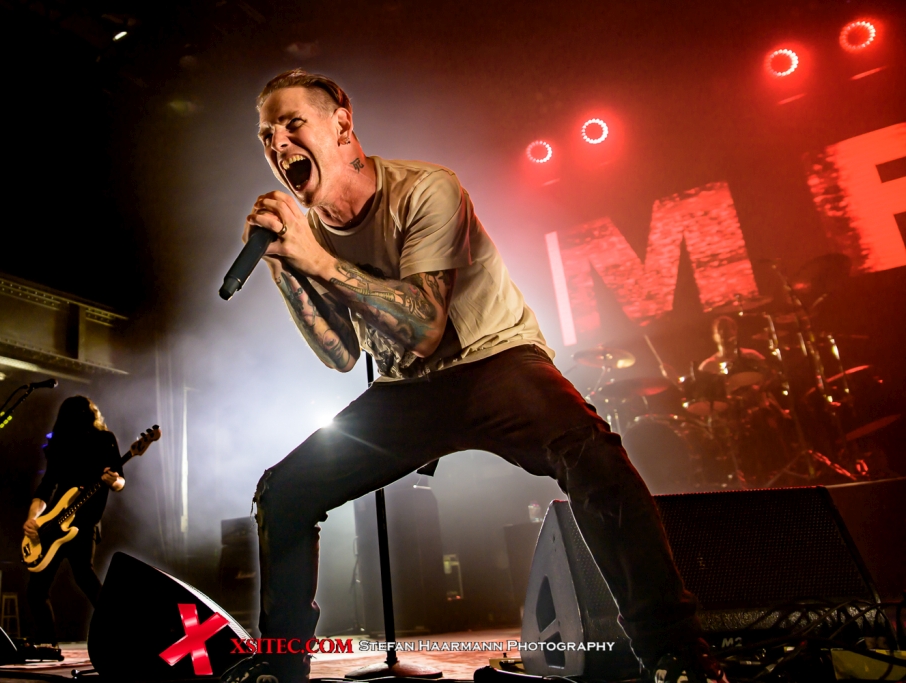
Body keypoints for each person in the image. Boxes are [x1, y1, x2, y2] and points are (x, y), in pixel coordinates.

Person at [242, 69, 728, 683]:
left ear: (341, 125)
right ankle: (278, 668)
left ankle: (676, 653)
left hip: (493, 361)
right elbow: (339, 354)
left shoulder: (427, 189)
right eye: (267, 135)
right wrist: (286, 270)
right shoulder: (308, 234)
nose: (279, 144)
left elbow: (425, 326)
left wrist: (317, 261)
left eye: (292, 124)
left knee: (592, 456)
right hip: (407, 389)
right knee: (283, 493)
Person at [23, 395, 125, 645]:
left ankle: (119, 635)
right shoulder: (59, 445)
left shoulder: (105, 439)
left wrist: (113, 481)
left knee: (84, 577)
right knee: (36, 589)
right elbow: (47, 486)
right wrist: (33, 519)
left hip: (85, 521)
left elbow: (120, 481)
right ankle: (47, 643)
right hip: (54, 522)